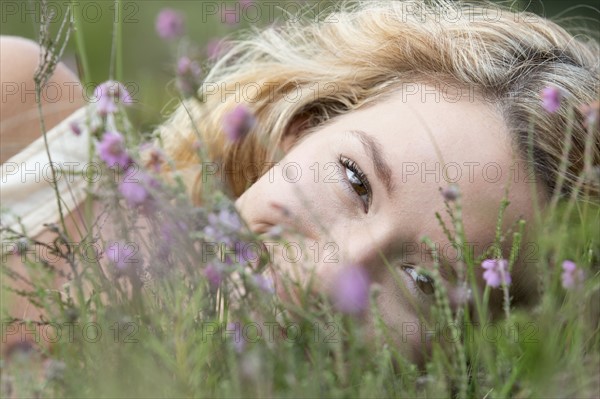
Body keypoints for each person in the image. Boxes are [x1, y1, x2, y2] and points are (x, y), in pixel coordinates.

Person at [1, 0, 598, 363]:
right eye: (355, 180)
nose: (331, 274)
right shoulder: (23, 119)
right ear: (304, 125)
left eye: (423, 280)